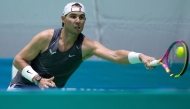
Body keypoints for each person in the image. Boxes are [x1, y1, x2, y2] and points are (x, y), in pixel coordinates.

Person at [7, 2, 156, 91]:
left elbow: (115, 55)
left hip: (50, 93)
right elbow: (18, 60)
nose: (78, 20)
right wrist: (38, 79)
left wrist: (140, 56)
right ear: (63, 19)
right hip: (22, 88)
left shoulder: (87, 46)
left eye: (81, 17)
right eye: (73, 16)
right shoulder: (46, 37)